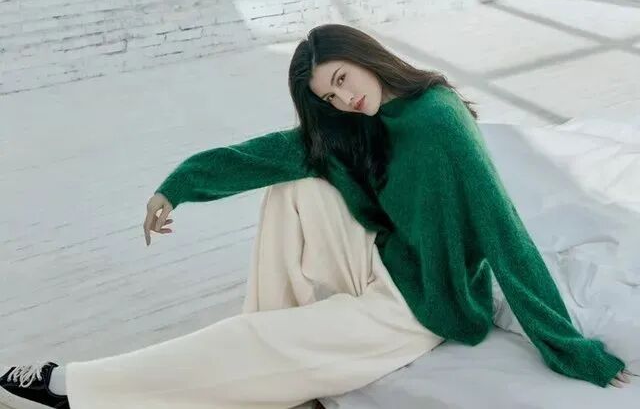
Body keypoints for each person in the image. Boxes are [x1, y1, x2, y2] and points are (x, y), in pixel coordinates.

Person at [1, 23, 633, 409]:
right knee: (296, 182)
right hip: (386, 257)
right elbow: (278, 150)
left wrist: (570, 349)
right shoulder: (367, 118)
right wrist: (177, 187)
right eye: (329, 94)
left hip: (426, 302)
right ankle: (274, 321)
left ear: (365, 55)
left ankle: (76, 386)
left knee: (248, 342)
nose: (344, 98)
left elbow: (506, 235)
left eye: (342, 79)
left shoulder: (439, 123)